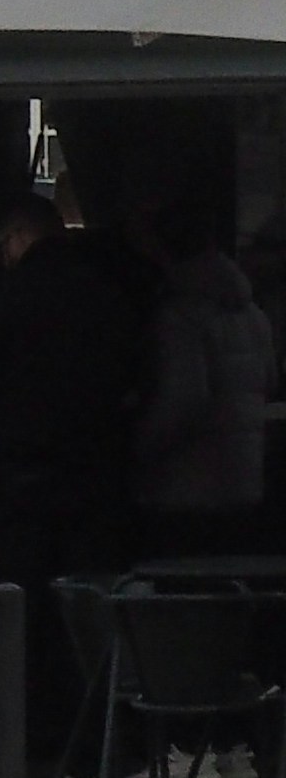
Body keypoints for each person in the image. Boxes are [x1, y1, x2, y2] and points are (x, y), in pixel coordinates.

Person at [0, 186, 151, 771]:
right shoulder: (108, 297)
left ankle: (14, 756)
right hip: (96, 483)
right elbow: (140, 375)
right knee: (88, 625)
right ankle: (100, 756)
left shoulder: (3, 299)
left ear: (16, 239)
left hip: (17, 489)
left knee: (16, 623)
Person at [135, 210, 276, 558]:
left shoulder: (179, 315)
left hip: (189, 484)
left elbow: (184, 401)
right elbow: (269, 381)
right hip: (244, 476)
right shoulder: (252, 313)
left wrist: (140, 452)